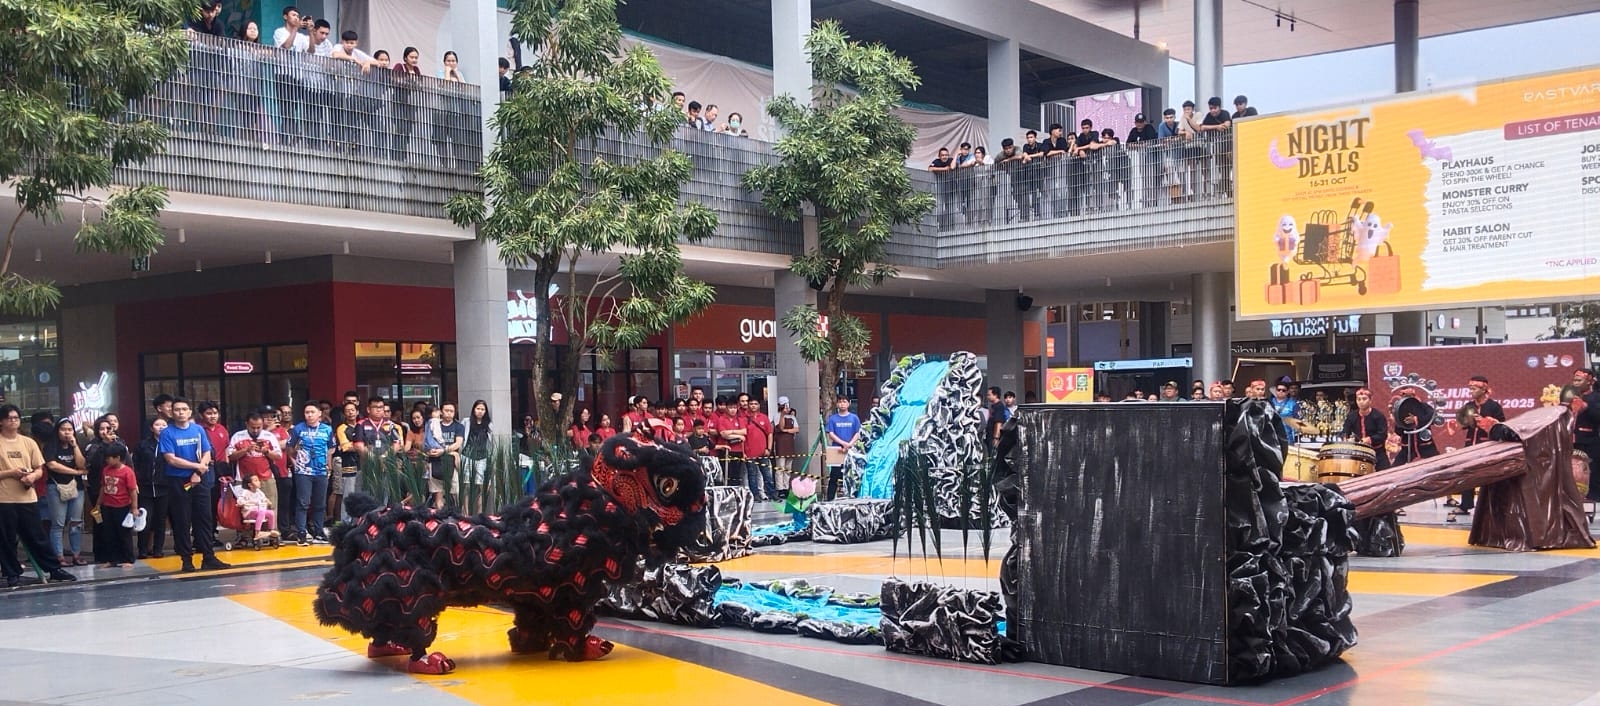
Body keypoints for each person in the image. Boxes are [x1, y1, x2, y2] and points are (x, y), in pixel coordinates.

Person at [0, 405, 77, 588]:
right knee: (6, 539)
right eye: (9, 418)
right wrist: (12, 472)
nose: (13, 421)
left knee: (37, 536)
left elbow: (39, 468)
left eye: (16, 418)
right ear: (1, 421)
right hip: (4, 498)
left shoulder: (28, 442)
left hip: (27, 497)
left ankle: (54, 569)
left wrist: (32, 476)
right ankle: (12, 573)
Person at [160, 398, 231, 572]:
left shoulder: (198, 429)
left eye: (184, 409)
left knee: (205, 519)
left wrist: (198, 472)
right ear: (172, 413)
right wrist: (196, 467)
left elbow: (207, 452)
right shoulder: (167, 433)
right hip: (178, 481)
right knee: (182, 520)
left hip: (200, 479)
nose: (181, 412)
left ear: (190, 412)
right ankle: (186, 559)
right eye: (177, 410)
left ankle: (208, 557)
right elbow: (171, 459)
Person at [1452, 375, 1505, 522]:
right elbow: (1462, 425)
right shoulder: (1469, 405)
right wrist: (1463, 421)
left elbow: (1501, 425)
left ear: (1483, 389)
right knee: (1467, 474)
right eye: (1470, 389)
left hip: (1487, 445)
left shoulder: (1494, 406)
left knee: (1488, 476)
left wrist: (1485, 422)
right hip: (1471, 444)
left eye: (1474, 389)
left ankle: (1491, 507)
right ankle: (1465, 505)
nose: (1471, 391)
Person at [287, 402, 336, 544]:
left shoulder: (327, 429)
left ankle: (319, 531)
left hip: (321, 471)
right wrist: (296, 462)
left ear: (319, 413)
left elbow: (331, 448)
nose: (309, 415)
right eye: (306, 412)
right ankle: (301, 532)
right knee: (303, 502)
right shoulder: (298, 429)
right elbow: (290, 447)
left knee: (320, 503)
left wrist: (328, 465)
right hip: (303, 471)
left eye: (312, 412)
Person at [229, 411, 284, 532]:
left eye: (258, 427)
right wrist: (245, 450)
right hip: (244, 480)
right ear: (246, 424)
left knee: (269, 507)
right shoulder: (238, 436)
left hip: (266, 478)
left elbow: (278, 456)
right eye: (252, 427)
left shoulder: (269, 436)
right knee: (245, 509)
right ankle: (245, 536)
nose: (255, 430)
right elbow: (230, 456)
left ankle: (270, 534)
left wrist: (266, 451)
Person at [42, 419, 88, 566]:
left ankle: (76, 554)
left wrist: (75, 446)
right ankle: (59, 556)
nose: (67, 432)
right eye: (63, 429)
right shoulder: (50, 446)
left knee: (76, 523)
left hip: (76, 488)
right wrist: (75, 472)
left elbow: (82, 464)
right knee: (58, 524)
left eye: (70, 429)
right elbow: (52, 465)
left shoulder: (76, 445)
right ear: (57, 431)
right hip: (56, 487)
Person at [94, 443, 138, 568]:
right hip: (108, 506)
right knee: (109, 534)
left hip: (122, 506)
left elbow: (132, 491)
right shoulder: (106, 470)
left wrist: (134, 507)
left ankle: (128, 558)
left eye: (109, 458)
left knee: (124, 534)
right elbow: (103, 487)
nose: (107, 460)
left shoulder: (127, 472)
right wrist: (98, 503)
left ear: (118, 458)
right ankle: (112, 559)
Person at [134, 417, 168, 559]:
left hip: (164, 488)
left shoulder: (170, 444)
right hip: (145, 488)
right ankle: (142, 549)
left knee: (160, 520)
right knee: (144, 520)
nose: (161, 427)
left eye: (164, 424)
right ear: (151, 428)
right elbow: (135, 464)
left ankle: (158, 549)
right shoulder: (143, 445)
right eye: (157, 424)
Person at [1569, 369, 1600, 504]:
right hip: (1570, 441)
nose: (1575, 383)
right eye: (1574, 380)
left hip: (1589, 441)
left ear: (1589, 381)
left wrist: (1586, 407)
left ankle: (1594, 500)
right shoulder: (1569, 396)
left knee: (1591, 472)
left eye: (1579, 380)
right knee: (1571, 472)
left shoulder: (1596, 397)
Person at [824, 396, 861, 501]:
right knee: (834, 476)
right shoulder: (833, 418)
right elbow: (831, 434)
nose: (842, 404)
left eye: (844, 402)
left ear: (849, 403)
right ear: (837, 404)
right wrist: (844, 444)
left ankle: (852, 497)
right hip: (837, 450)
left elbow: (857, 433)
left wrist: (849, 445)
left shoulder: (854, 418)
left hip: (851, 451)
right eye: (840, 402)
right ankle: (830, 499)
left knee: (852, 475)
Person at [234, 473, 278, 542]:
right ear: (250, 485)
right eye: (256, 481)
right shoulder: (246, 492)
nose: (259, 482)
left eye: (258, 480)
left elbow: (264, 499)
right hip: (249, 512)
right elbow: (240, 501)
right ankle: (257, 532)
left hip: (259, 511)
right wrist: (245, 503)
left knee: (271, 513)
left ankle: (271, 530)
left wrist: (267, 501)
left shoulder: (259, 492)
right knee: (261, 511)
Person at [772, 397, 799, 495]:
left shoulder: (792, 417)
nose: (786, 407)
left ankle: (786, 487)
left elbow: (796, 429)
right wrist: (782, 415)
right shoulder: (777, 416)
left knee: (788, 468)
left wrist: (787, 431)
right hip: (780, 445)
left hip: (790, 445)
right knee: (780, 467)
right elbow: (780, 427)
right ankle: (780, 488)